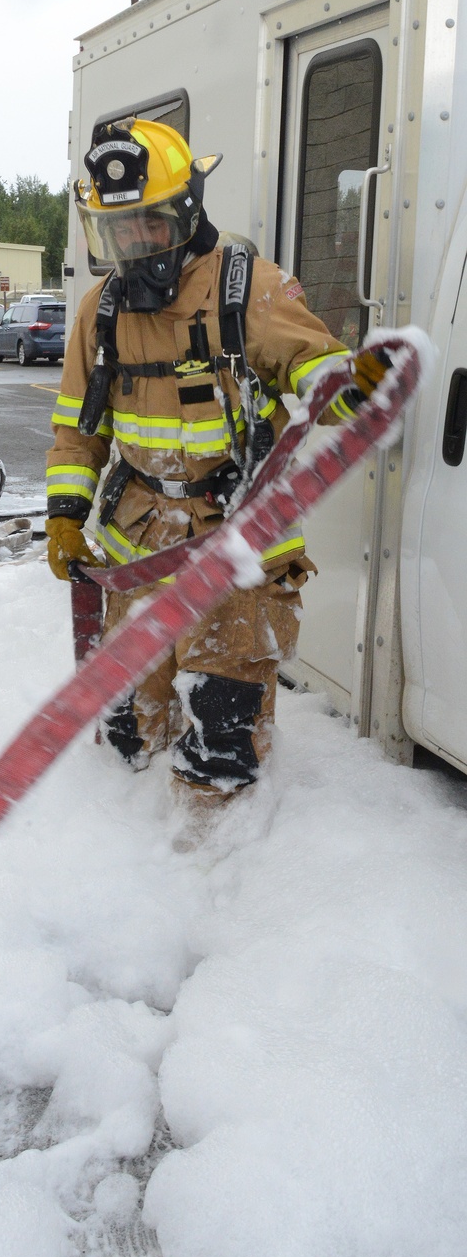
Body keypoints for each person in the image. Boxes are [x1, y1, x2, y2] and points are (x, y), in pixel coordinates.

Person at [45, 117, 389, 838]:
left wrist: (347, 386)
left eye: (147, 226)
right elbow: (79, 429)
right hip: (136, 554)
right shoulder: (98, 313)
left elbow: (314, 367)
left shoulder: (248, 290)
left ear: (187, 211)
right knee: (131, 736)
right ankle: (121, 862)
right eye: (115, 232)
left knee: (218, 749)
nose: (132, 246)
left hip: (235, 555)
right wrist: (66, 516)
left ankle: (210, 875)